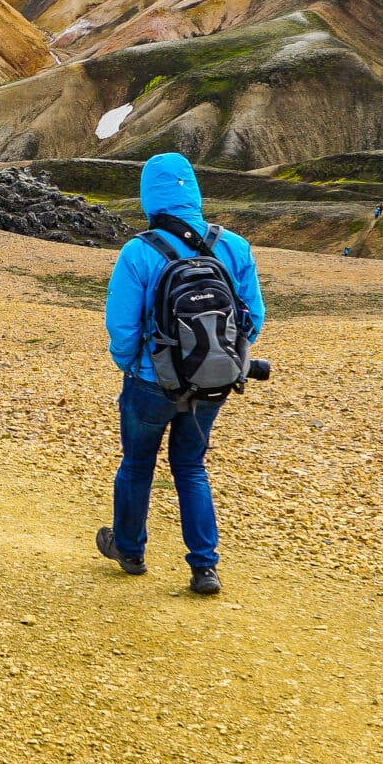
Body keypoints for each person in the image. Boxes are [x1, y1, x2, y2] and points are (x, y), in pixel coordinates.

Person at [96, 153, 264, 595]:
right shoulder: (235, 247)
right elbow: (254, 318)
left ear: (149, 196)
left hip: (150, 384)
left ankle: (129, 550)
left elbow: (122, 326)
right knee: (190, 467)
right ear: (193, 190)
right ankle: (204, 567)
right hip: (213, 382)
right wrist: (222, 360)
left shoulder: (139, 251)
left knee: (136, 464)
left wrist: (134, 365)